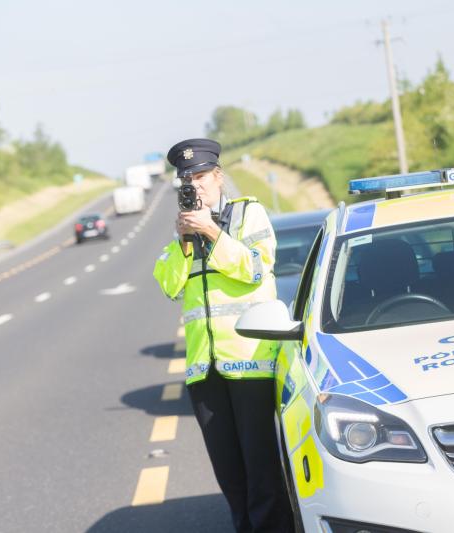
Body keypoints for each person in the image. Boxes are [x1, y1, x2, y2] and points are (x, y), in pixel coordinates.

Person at [153, 138, 294, 533]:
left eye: (200, 176)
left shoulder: (248, 213)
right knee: (230, 475)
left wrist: (213, 233)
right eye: (187, 178)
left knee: (261, 471)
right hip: (204, 369)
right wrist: (184, 241)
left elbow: (255, 268)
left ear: (217, 177)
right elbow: (169, 286)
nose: (194, 185)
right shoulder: (184, 227)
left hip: (250, 360)